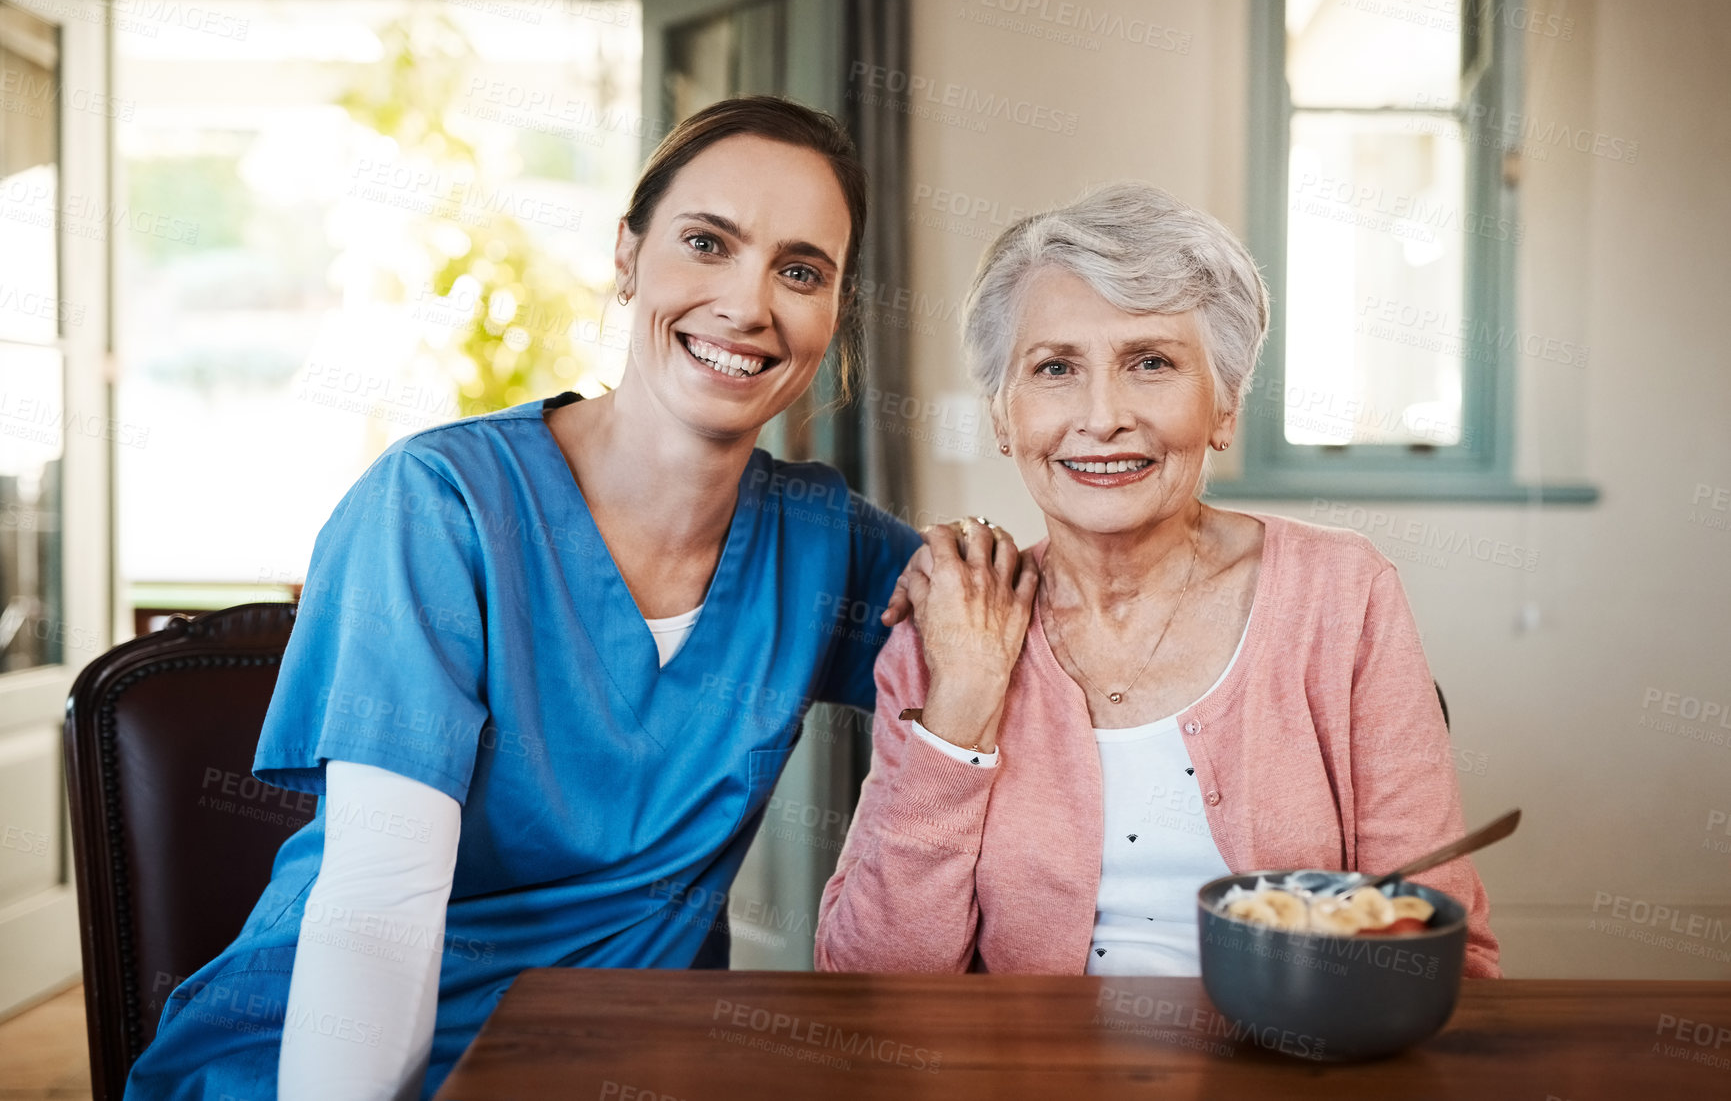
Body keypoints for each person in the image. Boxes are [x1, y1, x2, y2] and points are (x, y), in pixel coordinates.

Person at [126, 96, 960, 1101]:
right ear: (626, 258)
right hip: (335, 1056)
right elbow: (379, 907)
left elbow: (1056, 639)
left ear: (835, 311)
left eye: (800, 269)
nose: (749, 304)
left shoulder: (823, 544)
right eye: (706, 243)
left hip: (631, 1064)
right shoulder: (439, 507)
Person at [815, 182, 1501, 979]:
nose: (1101, 415)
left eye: (1150, 362)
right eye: (1054, 367)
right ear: (1004, 417)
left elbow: (1445, 951)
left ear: (1225, 403)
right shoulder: (946, 625)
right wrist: (962, 702)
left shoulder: (1340, 595)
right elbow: (870, 981)